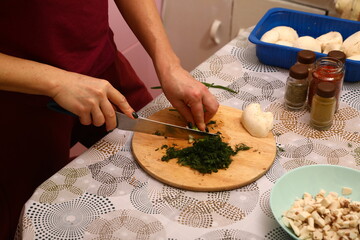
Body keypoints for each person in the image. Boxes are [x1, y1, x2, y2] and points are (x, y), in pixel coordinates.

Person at [0, 0, 219, 239]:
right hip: (19, 98)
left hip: (104, 71)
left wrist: (169, 64)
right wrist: (56, 82)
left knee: (158, 171)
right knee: (29, 218)